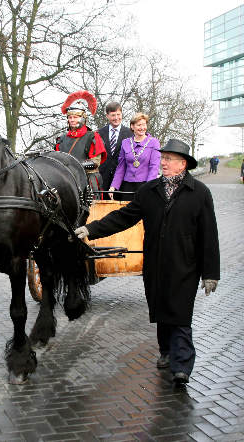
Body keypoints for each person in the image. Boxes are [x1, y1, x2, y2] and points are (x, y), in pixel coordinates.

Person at [74, 139, 220, 385]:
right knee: (161, 309)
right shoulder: (149, 191)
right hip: (155, 263)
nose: (163, 162)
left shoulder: (200, 193)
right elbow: (123, 217)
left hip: (186, 265)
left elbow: (209, 235)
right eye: (162, 158)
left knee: (181, 314)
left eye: (169, 159)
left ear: (183, 164)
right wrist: (91, 229)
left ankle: (181, 365)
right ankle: (166, 350)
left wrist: (210, 273)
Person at [55, 90, 107, 198]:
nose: (72, 120)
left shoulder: (92, 136)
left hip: (87, 180)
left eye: (76, 117)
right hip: (65, 180)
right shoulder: (62, 139)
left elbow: (95, 162)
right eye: (70, 117)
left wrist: (73, 166)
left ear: (83, 118)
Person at [108, 113, 160, 201]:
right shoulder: (125, 143)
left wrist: (149, 188)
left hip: (145, 185)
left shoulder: (154, 142)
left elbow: (154, 168)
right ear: (132, 126)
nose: (142, 128)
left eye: (144, 124)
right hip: (127, 186)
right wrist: (113, 186)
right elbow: (121, 167)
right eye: (139, 125)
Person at [97, 102, 132, 198]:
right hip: (103, 178)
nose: (116, 118)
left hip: (123, 179)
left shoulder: (130, 134)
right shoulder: (98, 133)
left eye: (118, 114)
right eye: (113, 115)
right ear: (107, 116)